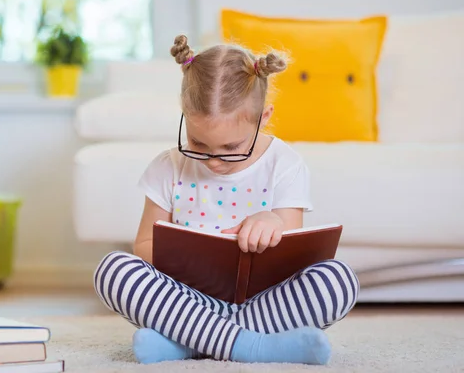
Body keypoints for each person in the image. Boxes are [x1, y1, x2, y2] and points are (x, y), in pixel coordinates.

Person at [93, 35, 359, 365]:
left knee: (338, 281)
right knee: (114, 270)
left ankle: (189, 344)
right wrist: (188, 251)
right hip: (186, 301)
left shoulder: (284, 164)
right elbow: (144, 243)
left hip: (264, 302)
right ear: (185, 115)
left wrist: (271, 222)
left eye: (231, 147)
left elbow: (294, 257)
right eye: (198, 142)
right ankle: (255, 346)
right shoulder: (169, 166)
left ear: (263, 118)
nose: (213, 160)